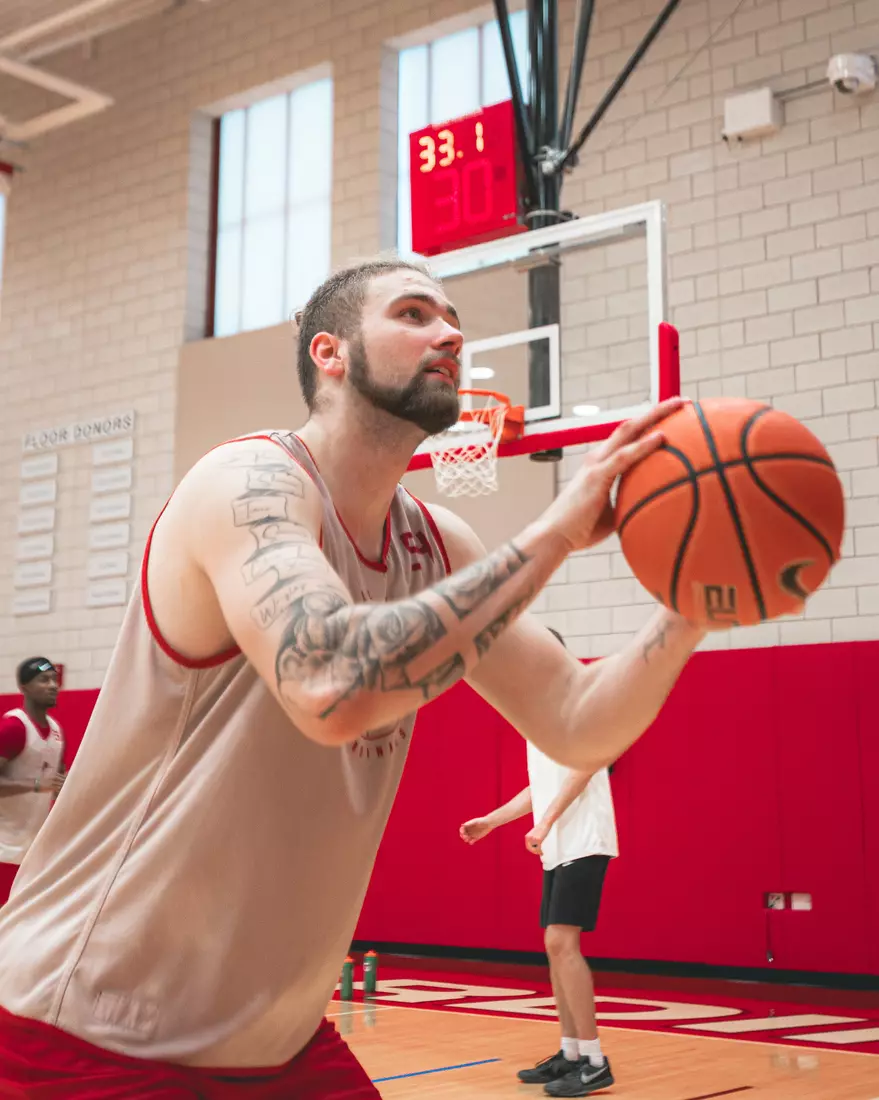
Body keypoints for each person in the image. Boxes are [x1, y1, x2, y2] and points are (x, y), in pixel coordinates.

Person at [0, 256, 705, 1098]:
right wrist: (551, 532)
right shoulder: (248, 480)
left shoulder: (436, 541)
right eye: (413, 313)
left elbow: (576, 718)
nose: (449, 332)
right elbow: (330, 686)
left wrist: (694, 603)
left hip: (279, 1043)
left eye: (453, 319)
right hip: (86, 1034)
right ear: (329, 354)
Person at [460, 628, 617, 1097]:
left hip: (585, 840)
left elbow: (586, 767)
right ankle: (570, 1052)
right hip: (558, 842)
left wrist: (546, 824)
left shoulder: (583, 706)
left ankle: (594, 1060)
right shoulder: (539, 720)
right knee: (553, 947)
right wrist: (493, 820)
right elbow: (541, 788)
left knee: (561, 942)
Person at [0, 658, 65, 879]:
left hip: (34, 850)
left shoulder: (56, 731)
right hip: (4, 847)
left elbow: (55, 780)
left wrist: (62, 787)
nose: (53, 685)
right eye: (44, 680)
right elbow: (40, 783)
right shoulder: (13, 727)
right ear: (24, 687)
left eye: (54, 679)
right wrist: (37, 785)